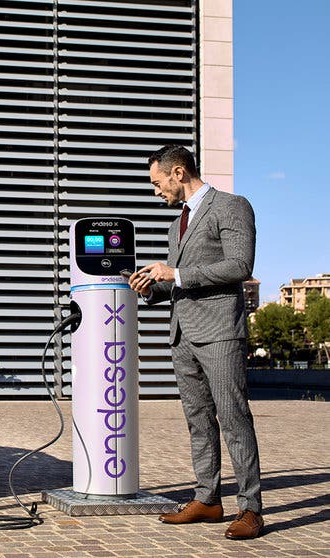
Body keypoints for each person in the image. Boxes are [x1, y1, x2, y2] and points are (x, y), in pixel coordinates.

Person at [128, 145, 263, 540]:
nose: (156, 192)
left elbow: (240, 265)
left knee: (234, 419)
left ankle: (251, 508)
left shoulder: (232, 206)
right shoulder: (176, 225)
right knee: (198, 421)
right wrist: (151, 288)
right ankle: (207, 499)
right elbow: (181, 280)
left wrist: (176, 273)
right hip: (183, 335)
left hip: (220, 332)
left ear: (179, 172)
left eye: (157, 183)